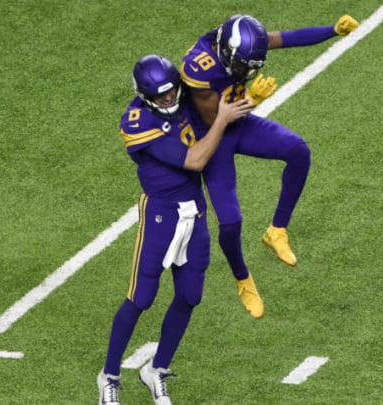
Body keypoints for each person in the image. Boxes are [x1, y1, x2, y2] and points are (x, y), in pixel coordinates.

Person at [97, 54, 254, 405]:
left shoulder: (184, 99)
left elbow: (216, 108)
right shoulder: (136, 122)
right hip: (161, 213)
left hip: (193, 210)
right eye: (160, 96)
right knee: (141, 298)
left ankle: (157, 370)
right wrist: (223, 119)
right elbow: (196, 159)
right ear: (144, 95)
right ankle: (108, 376)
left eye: (171, 93)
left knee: (190, 296)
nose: (169, 99)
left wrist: (244, 99)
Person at [180, 14, 359, 318]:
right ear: (225, 52)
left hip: (239, 122)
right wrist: (250, 99)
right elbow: (216, 121)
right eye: (240, 67)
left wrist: (332, 30)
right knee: (230, 223)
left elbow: (286, 38)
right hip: (212, 137)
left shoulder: (245, 45)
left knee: (298, 151)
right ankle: (243, 280)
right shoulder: (198, 67)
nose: (244, 72)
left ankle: (276, 231)